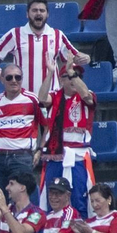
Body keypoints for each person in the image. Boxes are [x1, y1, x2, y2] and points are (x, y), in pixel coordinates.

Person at [0, 0, 88, 100]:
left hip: (50, 97)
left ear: (47, 14)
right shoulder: (16, 33)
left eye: (42, 10)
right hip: (23, 97)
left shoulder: (57, 35)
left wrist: (86, 58)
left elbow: (75, 56)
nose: (38, 13)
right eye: (34, 10)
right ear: (27, 14)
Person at [42, 61, 98, 214]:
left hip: (78, 155)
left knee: (79, 196)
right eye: (69, 76)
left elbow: (87, 96)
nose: (74, 79)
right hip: (55, 154)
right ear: (61, 79)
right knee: (51, 196)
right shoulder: (54, 96)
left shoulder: (87, 94)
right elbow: (41, 99)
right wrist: (49, 73)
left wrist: (72, 73)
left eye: (77, 76)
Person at [0, 58, 46, 189]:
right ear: (2, 80)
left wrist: (40, 151)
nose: (14, 81)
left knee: (20, 202)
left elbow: (47, 127)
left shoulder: (33, 100)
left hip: (22, 157)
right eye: (9, 77)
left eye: (18, 77)